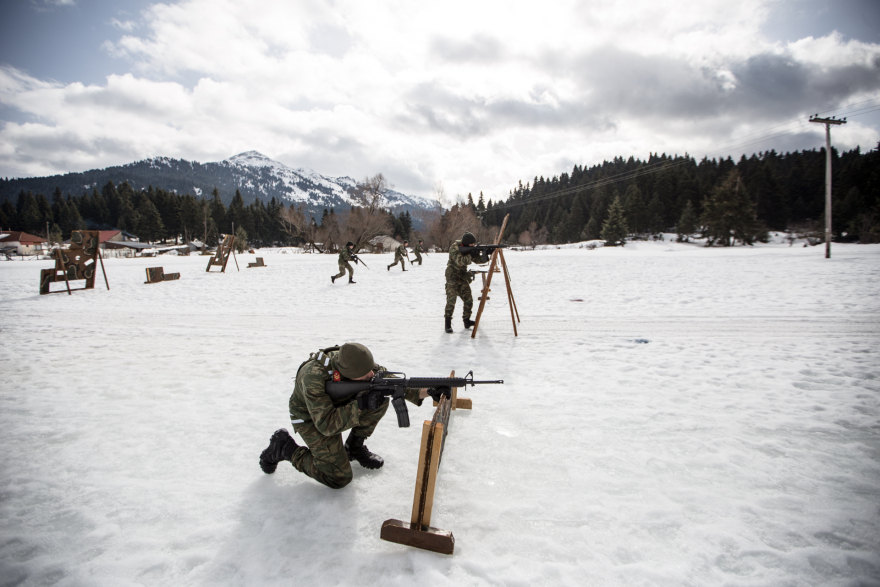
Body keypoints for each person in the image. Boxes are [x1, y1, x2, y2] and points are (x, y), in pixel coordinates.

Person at [259, 343, 447, 489]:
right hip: (311, 418)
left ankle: (353, 448)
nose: (372, 373)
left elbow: (393, 383)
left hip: (338, 408)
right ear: (348, 375)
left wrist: (429, 391)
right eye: (366, 374)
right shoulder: (313, 377)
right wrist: (361, 405)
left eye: (371, 369)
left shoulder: (357, 362)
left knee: (380, 395)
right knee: (338, 477)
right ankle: (285, 448)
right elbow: (325, 425)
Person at [444, 231, 488, 333]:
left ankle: (466, 320)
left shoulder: (468, 248)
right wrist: (470, 255)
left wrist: (486, 254)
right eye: (472, 245)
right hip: (452, 276)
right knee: (451, 301)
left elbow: (477, 260)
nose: (473, 246)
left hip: (462, 276)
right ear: (467, 243)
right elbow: (459, 261)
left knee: (468, 299)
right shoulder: (454, 247)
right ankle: (448, 324)